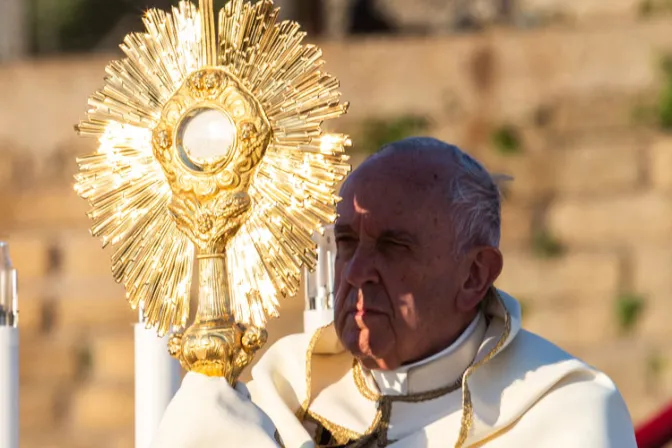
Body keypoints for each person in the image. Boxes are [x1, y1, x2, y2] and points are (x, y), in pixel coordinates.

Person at [151, 137, 637, 448]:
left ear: (473, 276)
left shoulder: (565, 414)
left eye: (394, 247)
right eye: (346, 242)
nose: (358, 271)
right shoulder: (283, 392)